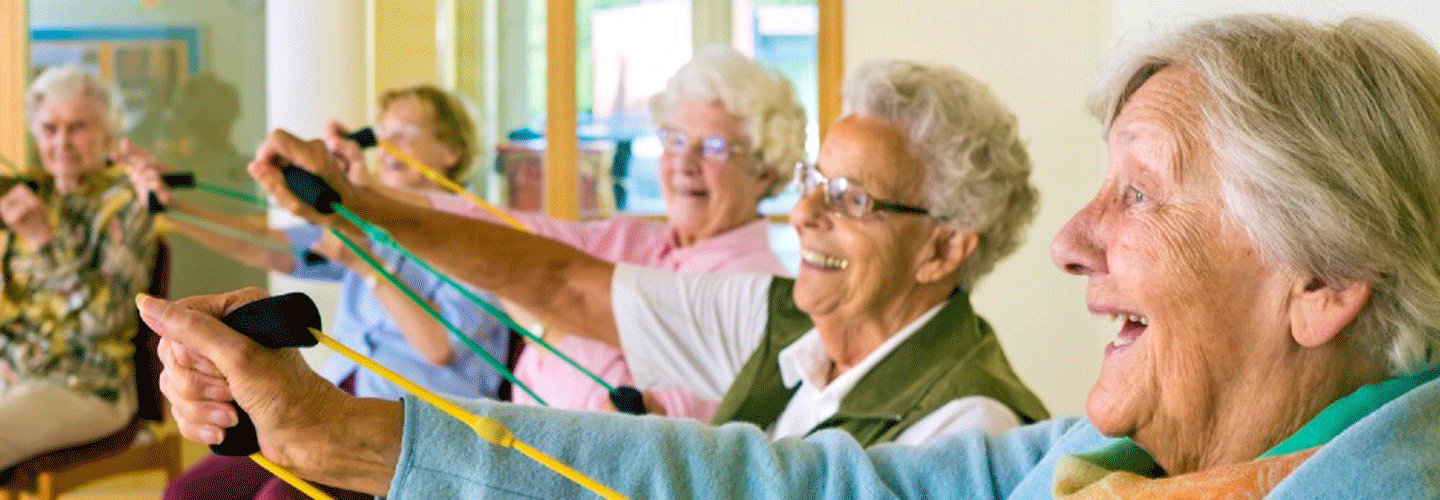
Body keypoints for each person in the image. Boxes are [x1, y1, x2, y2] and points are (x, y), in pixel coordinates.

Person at [153, 14, 1440, 498]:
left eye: (1142, 197)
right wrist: (350, 418)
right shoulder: (1091, 463)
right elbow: (769, 481)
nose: (1075, 242)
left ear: (1322, 281)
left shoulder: (975, 410)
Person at [194, 56, 1050, 454]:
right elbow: (556, 275)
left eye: (851, 199)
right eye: (814, 181)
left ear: (945, 247)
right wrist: (358, 201)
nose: (807, 213)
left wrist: (334, 433)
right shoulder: (782, 320)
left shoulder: (969, 427)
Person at [151, 85, 511, 500]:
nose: (388, 146)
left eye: (406, 134)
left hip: (417, 428)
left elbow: (439, 347)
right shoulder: (369, 221)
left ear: (452, 150)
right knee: (189, 493)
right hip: (338, 400)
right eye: (382, 133)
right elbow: (264, 245)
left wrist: (366, 263)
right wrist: (174, 207)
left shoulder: (478, 234)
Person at [417, 46, 803, 419]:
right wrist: (378, 201)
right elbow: (509, 232)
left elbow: (635, 422)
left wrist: (548, 323)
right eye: (676, 140)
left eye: (715, 147)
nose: (685, 162)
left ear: (763, 171)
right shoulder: (634, 240)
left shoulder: (758, 292)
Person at [0, 65, 157, 468]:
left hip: (88, 385)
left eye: (78, 127)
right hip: (15, 373)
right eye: (50, 128)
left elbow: (106, 320)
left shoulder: (126, 208)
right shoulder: (30, 197)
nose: (62, 142)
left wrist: (44, 243)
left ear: (107, 135)